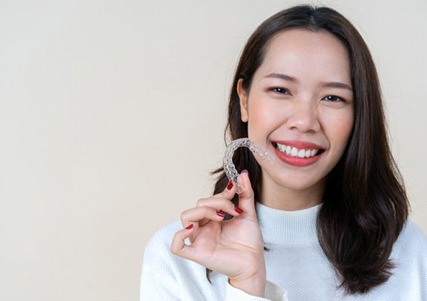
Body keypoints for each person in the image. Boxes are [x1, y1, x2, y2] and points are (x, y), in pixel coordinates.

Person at [140, 5, 427, 300]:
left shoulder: (409, 252)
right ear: (244, 100)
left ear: (359, 115)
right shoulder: (179, 256)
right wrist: (247, 286)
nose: (304, 121)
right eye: (280, 90)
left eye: (332, 97)